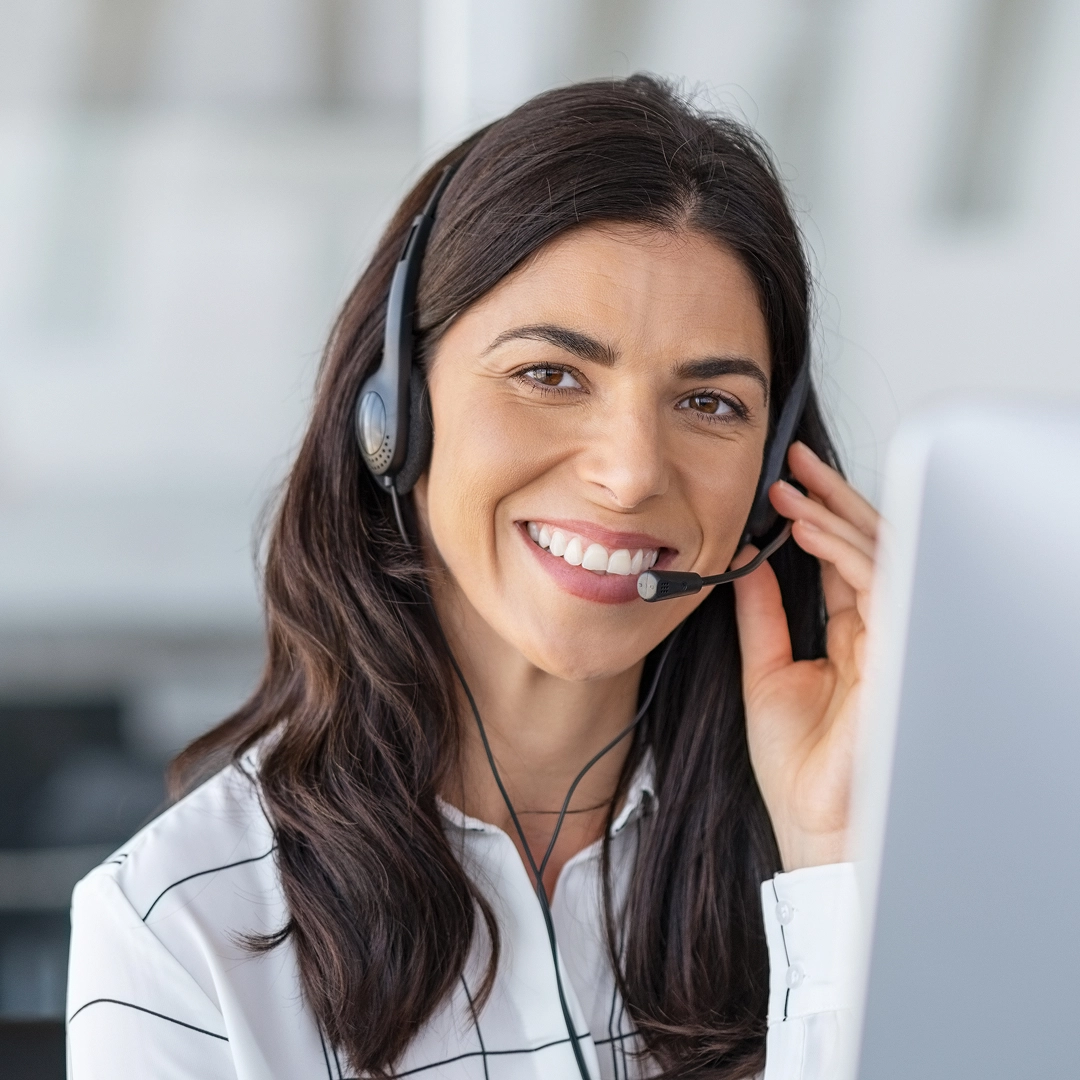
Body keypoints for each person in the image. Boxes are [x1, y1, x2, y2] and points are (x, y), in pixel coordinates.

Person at [66, 75, 877, 1080]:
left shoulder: (866, 864)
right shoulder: (181, 926)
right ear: (396, 411)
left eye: (709, 401)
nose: (629, 475)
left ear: (770, 479)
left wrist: (834, 856)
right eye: (550, 375)